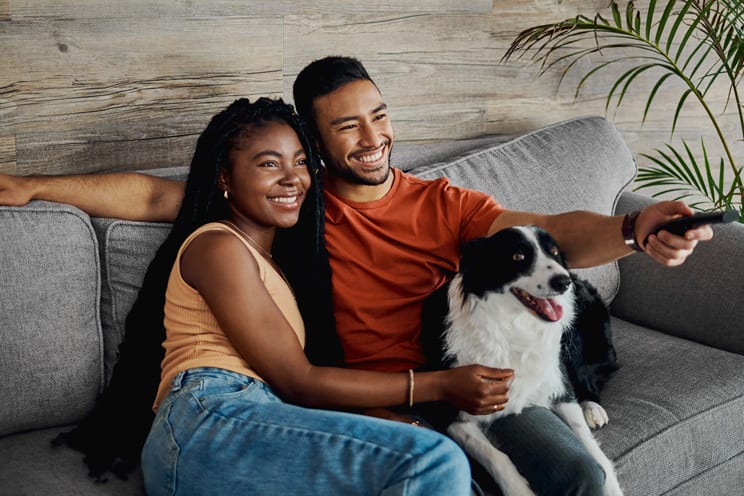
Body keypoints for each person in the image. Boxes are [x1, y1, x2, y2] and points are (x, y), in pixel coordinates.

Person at [0, 57, 712, 494]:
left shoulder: (444, 203)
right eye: (347, 128)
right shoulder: (294, 210)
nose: (373, 139)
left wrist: (630, 230)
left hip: (465, 383)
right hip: (357, 396)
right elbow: (164, 198)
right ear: (316, 142)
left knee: (582, 475)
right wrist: (33, 187)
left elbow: (549, 232)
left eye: (379, 116)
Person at [136, 96, 516, 495]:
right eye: (269, 163)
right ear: (224, 178)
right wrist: (440, 385)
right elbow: (298, 380)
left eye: (300, 162)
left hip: (259, 416)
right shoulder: (219, 247)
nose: (292, 178)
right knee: (433, 458)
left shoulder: (274, 263)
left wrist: (373, 416)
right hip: (209, 419)